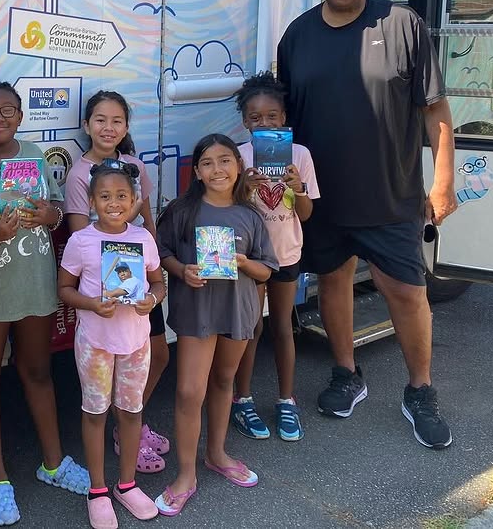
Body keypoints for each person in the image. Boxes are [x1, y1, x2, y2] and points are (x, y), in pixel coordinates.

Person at [276, 0, 457, 449]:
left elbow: (435, 112)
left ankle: (420, 390)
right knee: (332, 284)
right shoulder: (297, 37)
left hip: (390, 191)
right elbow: (283, 120)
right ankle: (345, 373)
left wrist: (443, 182)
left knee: (405, 291)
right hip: (321, 198)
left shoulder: (402, 24)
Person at [0, 81, 89, 526]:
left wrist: (49, 215)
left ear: (21, 115)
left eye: (8, 110)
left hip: (33, 287)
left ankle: (53, 463)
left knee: (38, 373)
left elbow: (54, 211)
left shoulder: (35, 156)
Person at [153, 135, 277, 517]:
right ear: (198, 171)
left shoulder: (251, 215)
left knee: (224, 382)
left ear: (238, 166)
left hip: (237, 310)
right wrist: (182, 271)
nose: (217, 169)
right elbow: (163, 252)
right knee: (190, 391)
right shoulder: (182, 210)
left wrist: (241, 262)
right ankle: (186, 474)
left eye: (225, 161)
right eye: (207, 162)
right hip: (197, 311)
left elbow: (267, 270)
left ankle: (217, 454)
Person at [63, 90, 170, 474]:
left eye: (117, 121)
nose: (109, 128)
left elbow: (146, 224)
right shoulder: (79, 174)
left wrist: (153, 265)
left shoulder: (136, 167)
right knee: (99, 388)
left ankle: (130, 428)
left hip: (140, 286)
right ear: (87, 124)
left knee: (159, 356)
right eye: (100, 120)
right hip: (106, 294)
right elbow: (82, 237)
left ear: (126, 127)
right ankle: (122, 434)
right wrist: (108, 283)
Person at [59, 163, 166, 529]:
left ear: (135, 200)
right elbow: (64, 289)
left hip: (135, 342)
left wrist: (152, 299)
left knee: (131, 412)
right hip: (95, 344)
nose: (114, 203)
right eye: (105, 196)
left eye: (122, 196)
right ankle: (98, 490)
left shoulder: (142, 239)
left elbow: (157, 282)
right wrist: (91, 304)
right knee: (95, 413)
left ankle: (126, 484)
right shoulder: (81, 241)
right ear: (91, 201)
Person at [232, 72, 320, 442]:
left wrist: (298, 188)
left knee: (283, 326)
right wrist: (244, 186)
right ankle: (243, 399)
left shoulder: (300, 155)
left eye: (272, 117)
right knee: (251, 328)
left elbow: (305, 214)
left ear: (284, 118)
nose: (264, 123)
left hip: (286, 254)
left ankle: (286, 399)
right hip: (251, 258)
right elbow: (229, 209)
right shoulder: (238, 156)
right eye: (255, 118)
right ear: (245, 122)